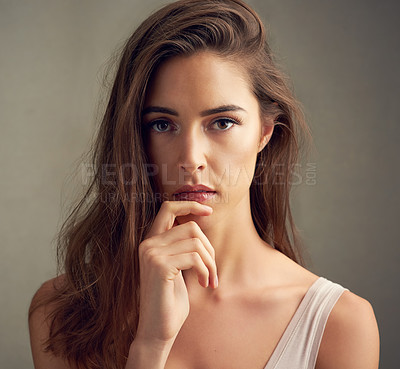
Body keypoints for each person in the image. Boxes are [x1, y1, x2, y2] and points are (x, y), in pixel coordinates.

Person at [28, 0, 380, 368]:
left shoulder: (338, 325)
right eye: (163, 124)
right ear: (135, 137)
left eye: (222, 122)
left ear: (265, 133)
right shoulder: (62, 313)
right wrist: (149, 344)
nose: (190, 158)